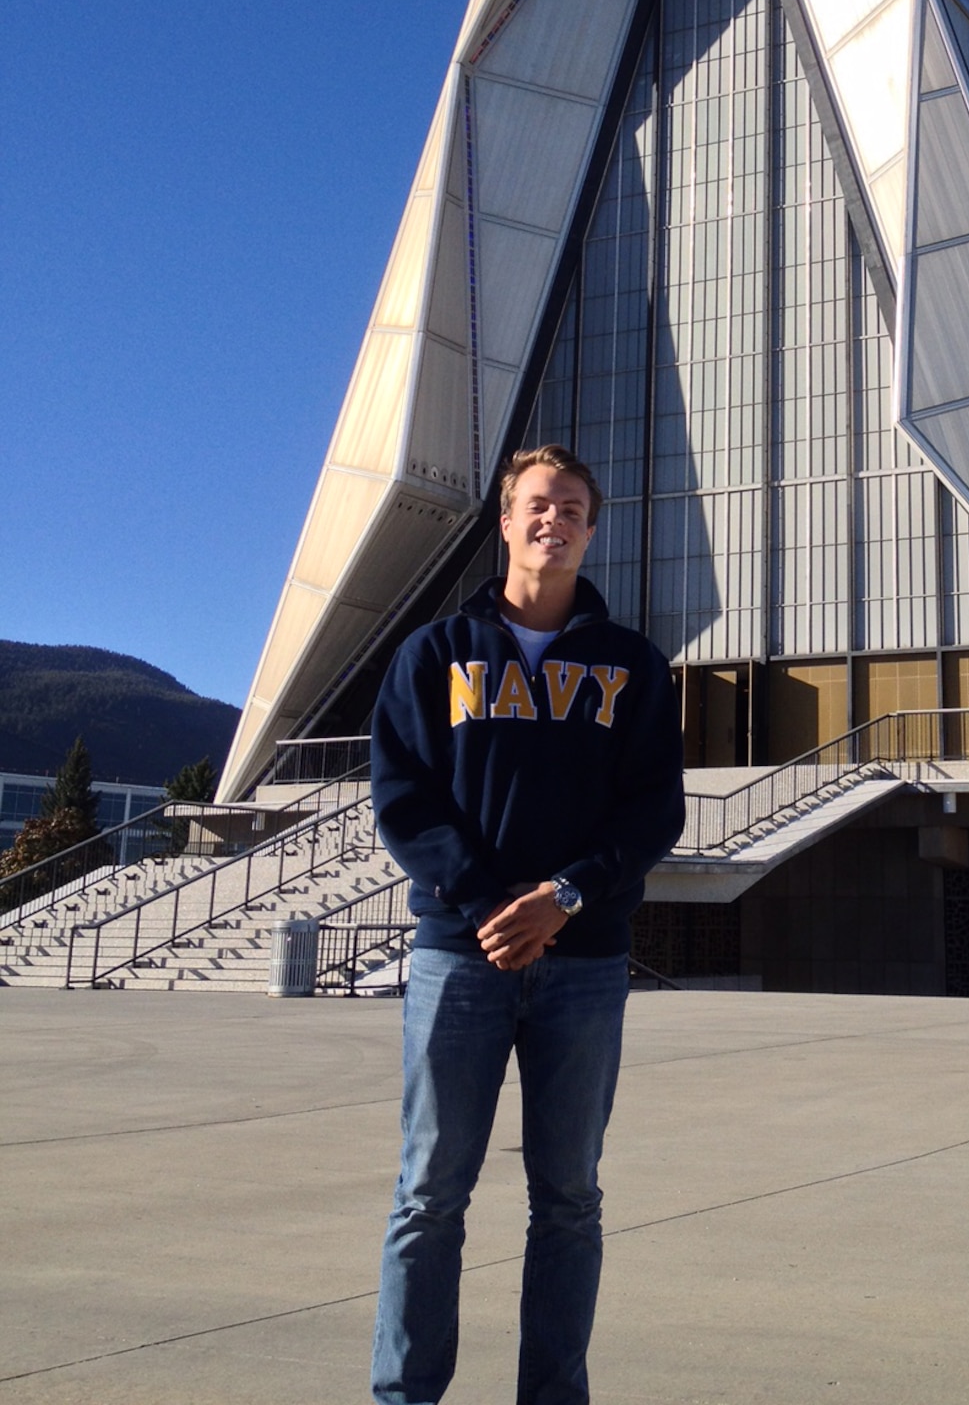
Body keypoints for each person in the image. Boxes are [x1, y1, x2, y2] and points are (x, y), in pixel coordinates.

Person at [369, 443, 685, 1405]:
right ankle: (405, 1395)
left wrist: (564, 897)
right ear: (504, 521)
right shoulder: (435, 654)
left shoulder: (630, 666)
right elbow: (404, 796)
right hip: (460, 962)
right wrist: (486, 905)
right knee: (430, 1198)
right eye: (539, 504)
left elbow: (652, 811)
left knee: (570, 1203)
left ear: (593, 529)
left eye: (575, 508)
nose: (557, 520)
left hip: (582, 963)